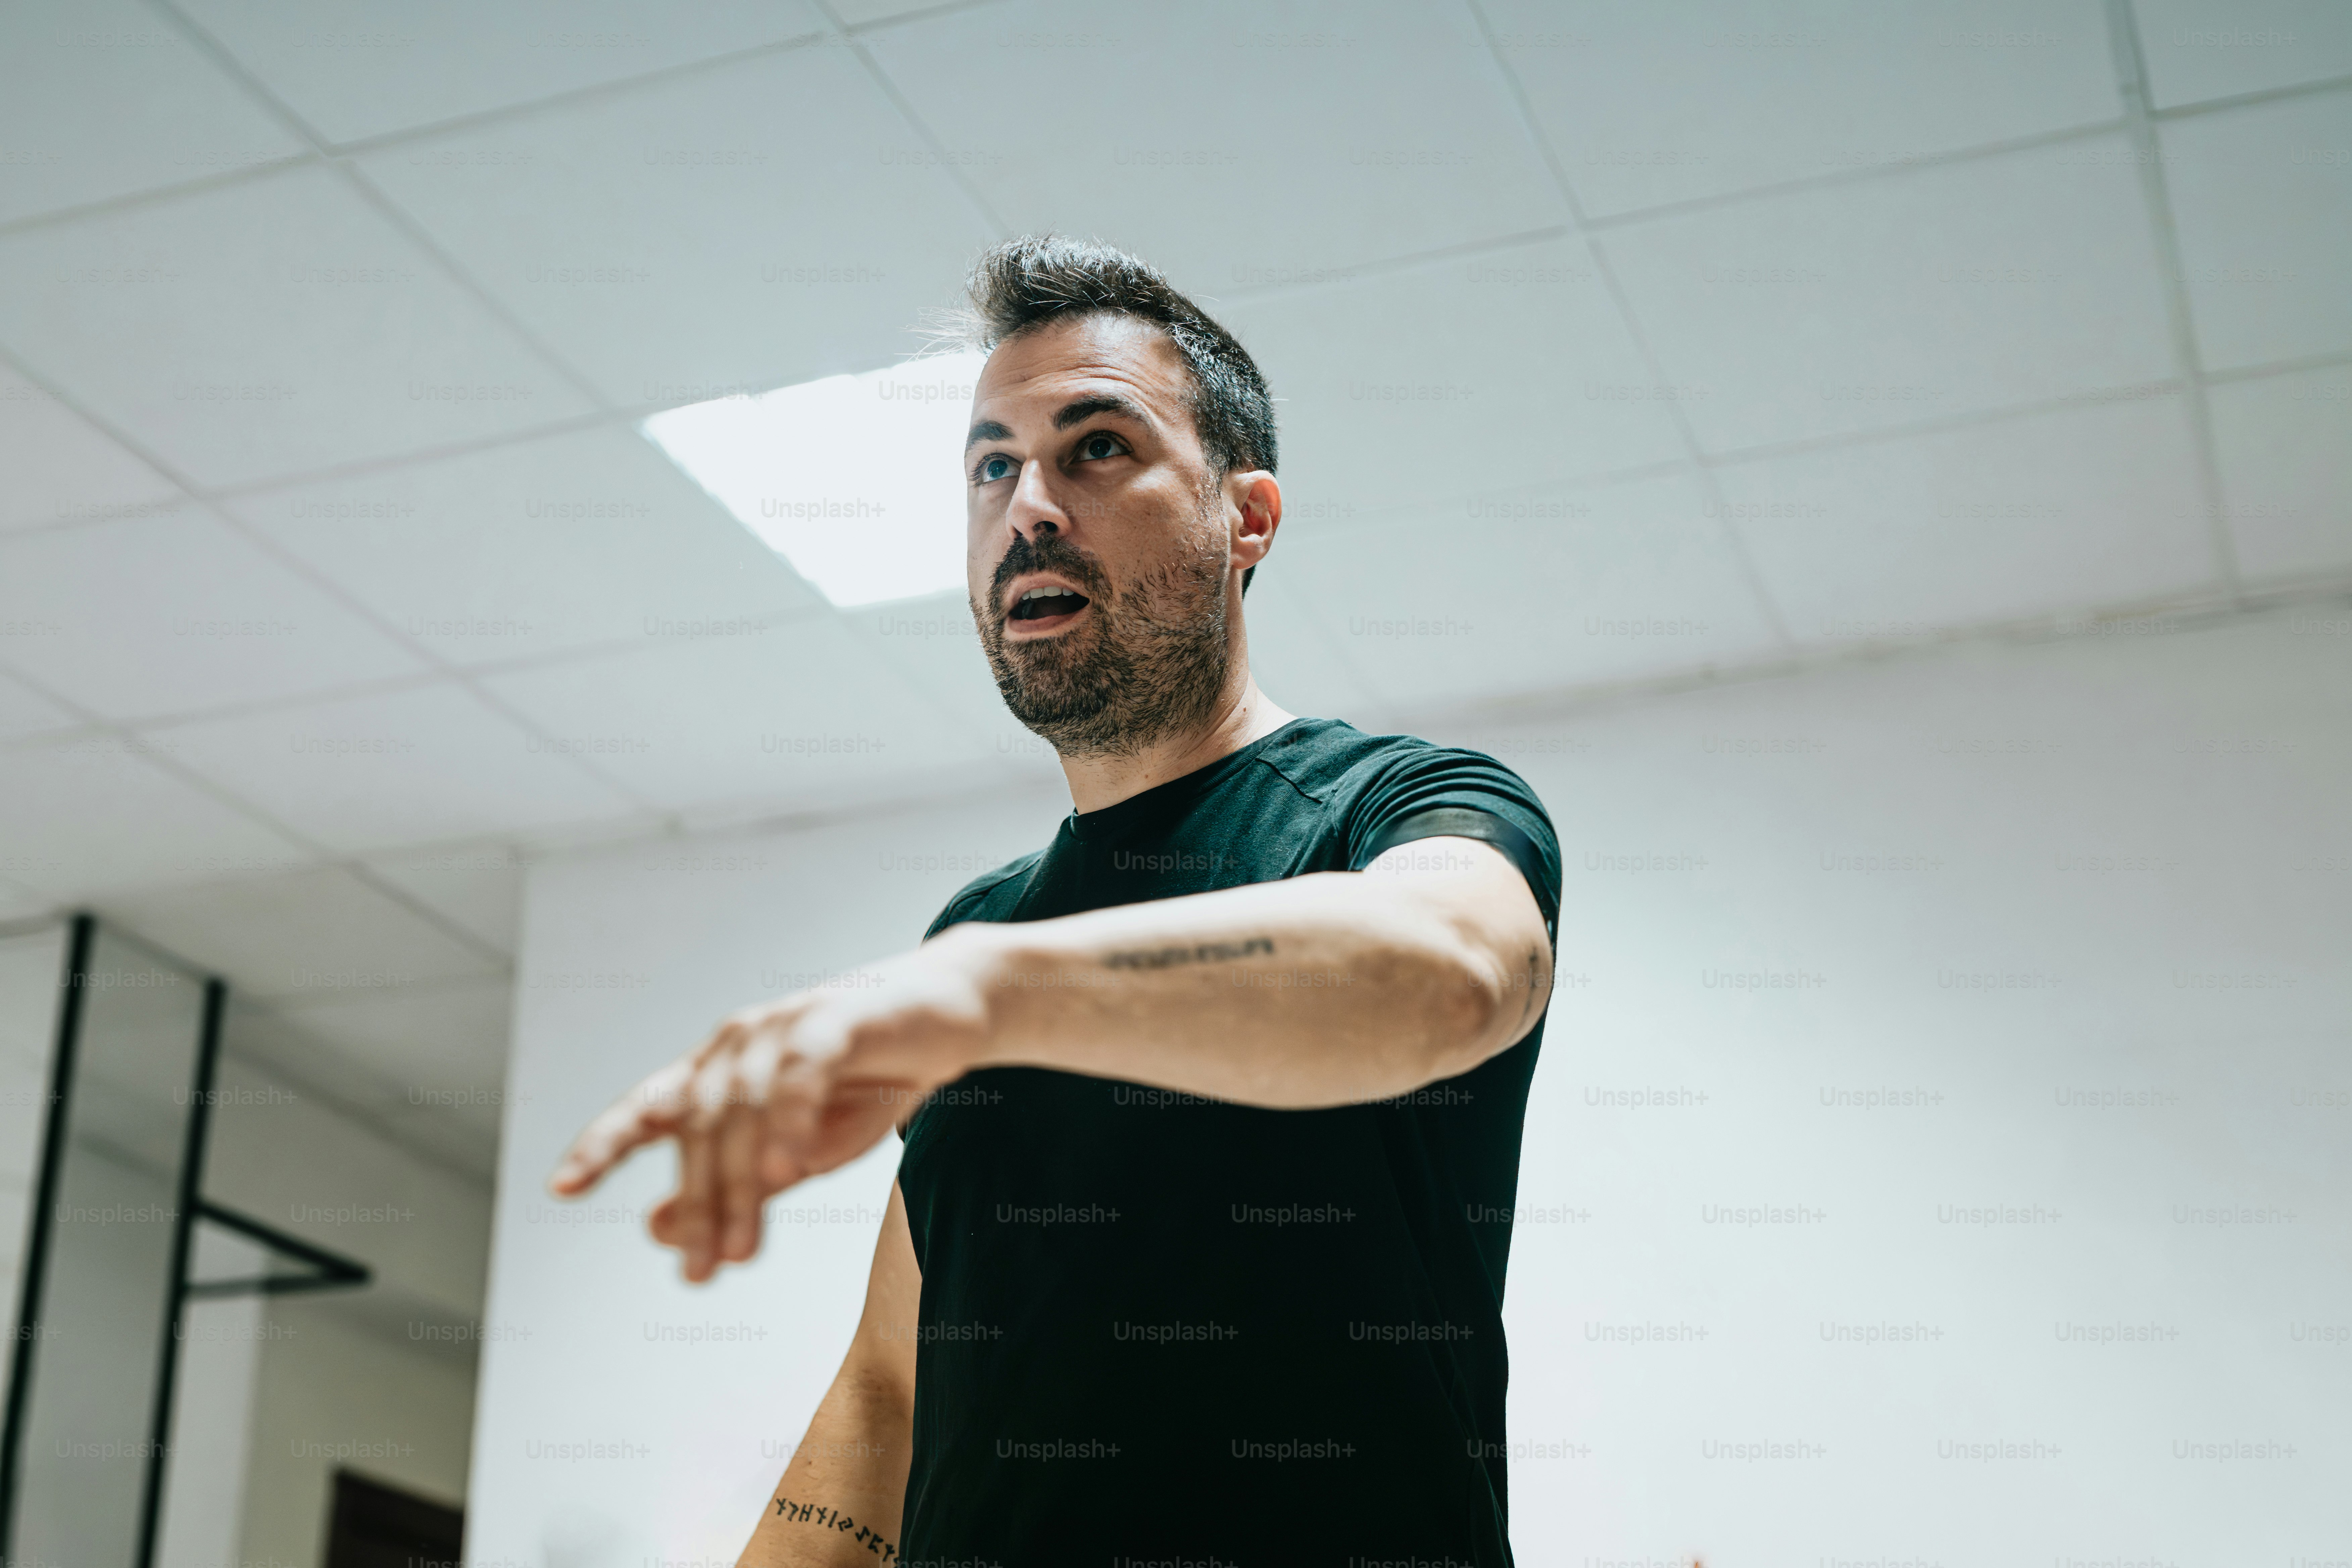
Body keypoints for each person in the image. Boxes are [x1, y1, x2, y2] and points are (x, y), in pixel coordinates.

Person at [550, 236, 1561, 1567]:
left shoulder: (1397, 803)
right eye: (990, 465)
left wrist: (981, 993)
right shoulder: (978, 931)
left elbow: (1452, 969)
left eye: (1095, 448)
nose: (1027, 503)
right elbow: (892, 1389)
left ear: (1244, 516)